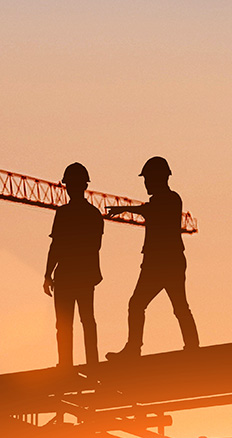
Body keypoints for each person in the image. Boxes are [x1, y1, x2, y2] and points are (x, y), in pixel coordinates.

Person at [105, 156, 199, 360]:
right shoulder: (160, 201)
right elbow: (151, 210)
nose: (145, 183)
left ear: (158, 178)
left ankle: (191, 346)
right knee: (140, 304)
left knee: (174, 305)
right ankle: (135, 349)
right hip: (157, 262)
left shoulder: (172, 199)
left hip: (166, 263)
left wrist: (125, 208)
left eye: (147, 179)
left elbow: (152, 211)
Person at [43, 163, 104, 367]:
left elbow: (56, 246)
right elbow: (95, 246)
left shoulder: (64, 214)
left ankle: (65, 365)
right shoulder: (94, 214)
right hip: (84, 276)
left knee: (65, 324)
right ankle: (92, 363)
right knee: (87, 321)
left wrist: (47, 275)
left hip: (67, 276)